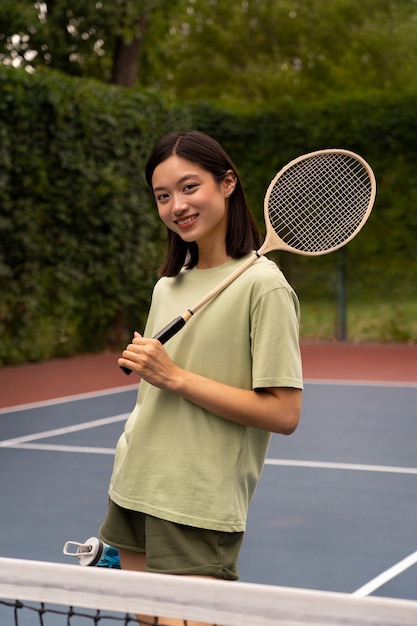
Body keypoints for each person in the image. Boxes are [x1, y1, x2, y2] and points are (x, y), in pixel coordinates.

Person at [99, 130, 303, 626]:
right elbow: (154, 397)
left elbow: (284, 412)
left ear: (227, 182)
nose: (177, 206)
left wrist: (176, 378)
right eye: (163, 196)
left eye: (190, 188)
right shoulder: (167, 285)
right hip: (134, 486)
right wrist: (156, 375)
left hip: (196, 500)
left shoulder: (265, 286)